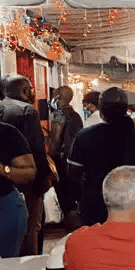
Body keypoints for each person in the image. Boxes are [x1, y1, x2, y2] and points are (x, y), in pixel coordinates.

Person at [68, 87, 135, 226]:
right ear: (125, 109)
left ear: (101, 111)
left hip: (92, 204)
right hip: (129, 204)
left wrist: (74, 205)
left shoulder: (85, 136)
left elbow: (72, 175)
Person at [0, 74, 51, 254]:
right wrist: (43, 180)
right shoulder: (27, 110)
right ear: (26, 91)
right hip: (20, 183)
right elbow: (36, 150)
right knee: (31, 228)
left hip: (3, 181)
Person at [0, 118, 35, 256]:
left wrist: (2, 170)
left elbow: (29, 172)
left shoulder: (5, 132)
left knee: (3, 269)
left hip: (1, 209)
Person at [48, 85, 84, 224]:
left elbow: (56, 138)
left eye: (56, 95)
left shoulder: (59, 114)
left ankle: (70, 225)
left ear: (60, 97)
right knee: (72, 192)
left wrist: (50, 157)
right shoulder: (76, 116)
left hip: (61, 159)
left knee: (63, 193)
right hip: (74, 158)